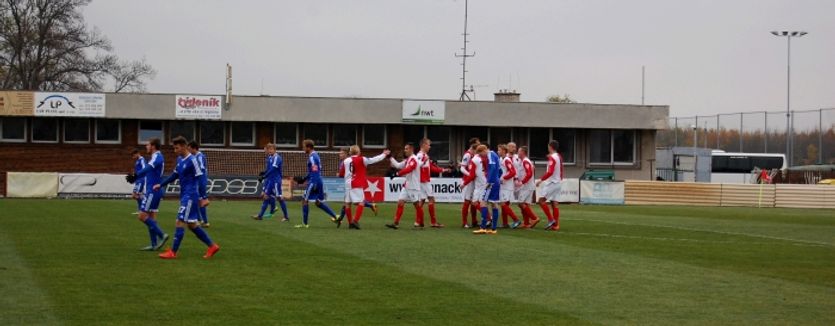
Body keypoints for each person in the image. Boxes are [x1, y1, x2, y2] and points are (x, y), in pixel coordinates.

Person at [154, 136, 220, 259]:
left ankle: (173, 252)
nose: (175, 150)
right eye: (174, 148)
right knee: (192, 225)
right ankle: (212, 246)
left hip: (191, 195)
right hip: (185, 194)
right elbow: (174, 175)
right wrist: (161, 184)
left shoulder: (193, 160)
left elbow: (201, 178)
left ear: (184, 146)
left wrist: (203, 197)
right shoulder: (180, 159)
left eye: (177, 148)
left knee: (180, 221)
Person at [126, 138, 169, 251]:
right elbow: (148, 171)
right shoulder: (154, 157)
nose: (146, 147)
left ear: (153, 146)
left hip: (153, 191)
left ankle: (161, 235)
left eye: (148, 145)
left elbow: (148, 168)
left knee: (142, 216)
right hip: (154, 190)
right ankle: (154, 244)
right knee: (151, 218)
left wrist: (136, 175)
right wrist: (136, 177)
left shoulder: (157, 157)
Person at [341, 145, 389, 229]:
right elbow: (374, 159)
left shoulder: (346, 161)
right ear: (358, 152)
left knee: (347, 204)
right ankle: (355, 221)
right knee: (362, 202)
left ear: (350, 152)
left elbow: (341, 173)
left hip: (347, 184)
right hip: (357, 183)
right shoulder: (362, 159)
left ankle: (350, 223)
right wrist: (384, 154)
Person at [295, 139, 339, 228]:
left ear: (308, 147)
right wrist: (304, 178)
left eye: (304, 147)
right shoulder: (315, 155)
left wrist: (313, 183)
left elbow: (314, 170)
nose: (303, 149)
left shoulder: (312, 157)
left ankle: (305, 224)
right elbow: (314, 171)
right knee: (318, 202)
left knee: (304, 201)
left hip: (314, 181)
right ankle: (336, 216)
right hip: (318, 180)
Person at [385, 143, 424, 229]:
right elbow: (398, 165)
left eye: (406, 149)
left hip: (413, 186)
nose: (405, 150)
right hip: (407, 185)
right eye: (405, 149)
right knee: (400, 202)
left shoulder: (414, 159)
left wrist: (397, 173)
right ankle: (396, 223)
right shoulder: (408, 159)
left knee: (417, 205)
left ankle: (421, 222)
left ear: (411, 149)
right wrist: (390, 157)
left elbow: (409, 169)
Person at [337, 148, 381, 223]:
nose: (340, 155)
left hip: (351, 183)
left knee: (349, 203)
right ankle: (370, 206)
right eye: (340, 153)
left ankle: (343, 219)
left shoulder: (347, 161)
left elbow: (344, 173)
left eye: (341, 153)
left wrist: (340, 175)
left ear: (347, 154)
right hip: (350, 183)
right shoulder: (345, 161)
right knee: (350, 202)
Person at [416, 138, 449, 228]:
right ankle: (433, 222)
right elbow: (417, 167)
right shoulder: (420, 155)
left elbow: (431, 167)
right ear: (423, 145)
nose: (429, 147)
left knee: (422, 200)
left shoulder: (424, 155)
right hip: (424, 181)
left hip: (423, 181)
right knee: (431, 199)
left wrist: (443, 170)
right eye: (428, 145)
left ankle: (417, 221)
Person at [254, 143, 289, 221]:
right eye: (268, 149)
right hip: (270, 180)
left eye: (271, 149)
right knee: (266, 196)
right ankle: (260, 216)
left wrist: (264, 176)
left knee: (279, 198)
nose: (269, 151)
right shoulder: (270, 157)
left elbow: (273, 169)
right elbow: (269, 168)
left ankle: (286, 217)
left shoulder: (277, 158)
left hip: (276, 181)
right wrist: (264, 172)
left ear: (274, 150)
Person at [536, 140, 564, 231]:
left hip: (552, 182)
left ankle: (551, 220)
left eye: (548, 146)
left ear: (550, 147)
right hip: (558, 182)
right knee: (554, 203)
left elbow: (550, 172)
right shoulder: (559, 156)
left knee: (541, 201)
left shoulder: (552, 157)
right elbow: (561, 169)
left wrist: (540, 180)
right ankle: (556, 225)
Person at [471, 145, 497, 235]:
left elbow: (493, 168)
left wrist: (489, 180)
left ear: (484, 150)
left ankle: (483, 227)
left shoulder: (490, 155)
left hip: (490, 182)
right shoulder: (494, 154)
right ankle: (493, 228)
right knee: (494, 204)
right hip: (495, 181)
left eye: (481, 154)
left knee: (483, 202)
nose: (482, 157)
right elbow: (499, 169)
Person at [514, 146, 540, 228]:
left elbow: (529, 173)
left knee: (521, 203)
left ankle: (534, 218)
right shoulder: (523, 161)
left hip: (526, 186)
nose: (518, 153)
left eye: (519, 151)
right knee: (525, 204)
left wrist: (522, 182)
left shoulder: (525, 161)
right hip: (528, 186)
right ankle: (526, 223)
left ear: (523, 152)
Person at [497, 144, 521, 228]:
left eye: (499, 150)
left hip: (506, 186)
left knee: (502, 203)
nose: (498, 151)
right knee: (505, 204)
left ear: (503, 151)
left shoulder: (506, 160)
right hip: (505, 185)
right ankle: (505, 223)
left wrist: (504, 178)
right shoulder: (502, 159)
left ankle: (516, 220)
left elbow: (513, 172)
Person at [188, 141, 210, 228]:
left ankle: (205, 221)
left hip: (200, 180)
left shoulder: (200, 156)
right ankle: (199, 219)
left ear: (194, 148)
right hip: (198, 180)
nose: (188, 150)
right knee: (196, 200)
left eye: (189, 148)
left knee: (200, 201)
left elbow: (201, 169)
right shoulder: (194, 156)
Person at [459, 138, 480, 228]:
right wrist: (470, 175)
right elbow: (462, 168)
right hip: (468, 181)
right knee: (467, 200)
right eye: (478, 143)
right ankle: (464, 222)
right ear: (473, 145)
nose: (479, 145)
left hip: (473, 180)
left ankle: (474, 221)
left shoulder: (475, 155)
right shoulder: (467, 155)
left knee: (473, 200)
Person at [131, 149, 146, 215]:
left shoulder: (142, 159)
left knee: (135, 195)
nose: (132, 157)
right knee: (137, 195)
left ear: (137, 153)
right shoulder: (137, 161)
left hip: (141, 180)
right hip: (138, 180)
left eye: (133, 155)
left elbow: (144, 168)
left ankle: (143, 209)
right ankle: (141, 210)